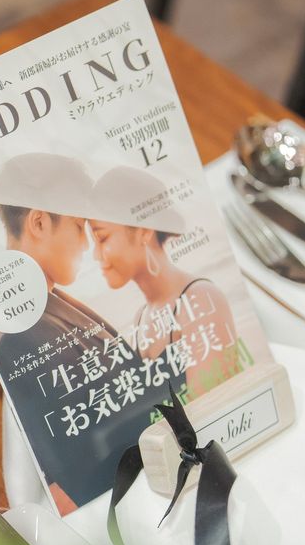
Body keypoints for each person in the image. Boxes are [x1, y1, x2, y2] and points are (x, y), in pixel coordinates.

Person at [0, 154, 150, 513]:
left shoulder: (44, 305)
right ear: (39, 223)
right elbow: (72, 481)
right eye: (78, 227)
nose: (87, 246)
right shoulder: (23, 336)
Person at [88, 166, 241, 400]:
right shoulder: (141, 318)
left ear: (143, 231)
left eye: (102, 238)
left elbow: (221, 406)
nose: (96, 255)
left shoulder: (200, 299)